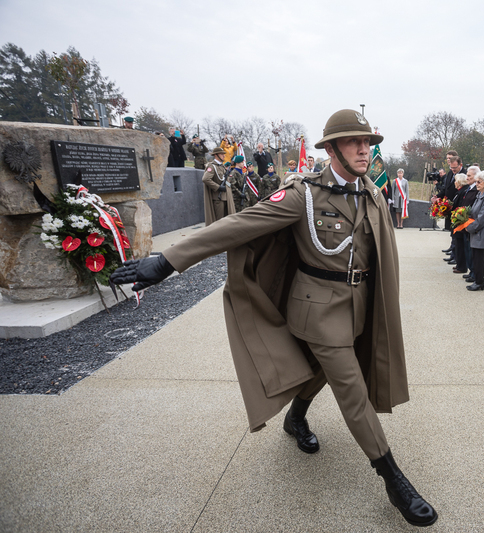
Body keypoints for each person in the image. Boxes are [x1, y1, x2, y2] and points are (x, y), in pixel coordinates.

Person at [110, 109, 437, 526]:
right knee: (351, 389)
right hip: (317, 310)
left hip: (358, 308)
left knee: (320, 370)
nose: (365, 149)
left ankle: (296, 417)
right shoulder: (303, 193)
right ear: (332, 148)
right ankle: (393, 480)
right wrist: (168, 261)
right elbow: (238, 224)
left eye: (369, 142)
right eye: (354, 142)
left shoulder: (371, 193)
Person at [452, 166, 479, 278]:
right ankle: (471, 271)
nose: (467, 178)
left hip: (470, 223)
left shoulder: (476, 190)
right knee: (467, 249)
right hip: (465, 223)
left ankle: (473, 272)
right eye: (467, 175)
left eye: (469, 176)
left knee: (470, 250)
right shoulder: (469, 189)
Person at [201, 146, 235, 225]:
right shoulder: (212, 166)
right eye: (221, 154)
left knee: (227, 221)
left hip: (225, 197)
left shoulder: (222, 166)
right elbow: (205, 179)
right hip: (218, 198)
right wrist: (218, 187)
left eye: (224, 154)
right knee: (219, 222)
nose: (224, 155)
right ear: (216, 155)